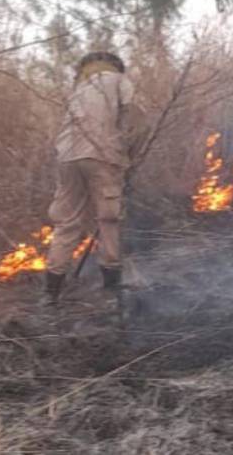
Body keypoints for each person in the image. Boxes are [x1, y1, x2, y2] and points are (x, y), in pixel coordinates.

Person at [43, 51, 148, 307]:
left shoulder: (78, 90)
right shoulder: (118, 81)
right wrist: (130, 155)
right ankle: (111, 289)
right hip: (102, 156)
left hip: (67, 158)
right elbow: (138, 121)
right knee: (109, 219)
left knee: (67, 222)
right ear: (115, 66)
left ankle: (50, 293)